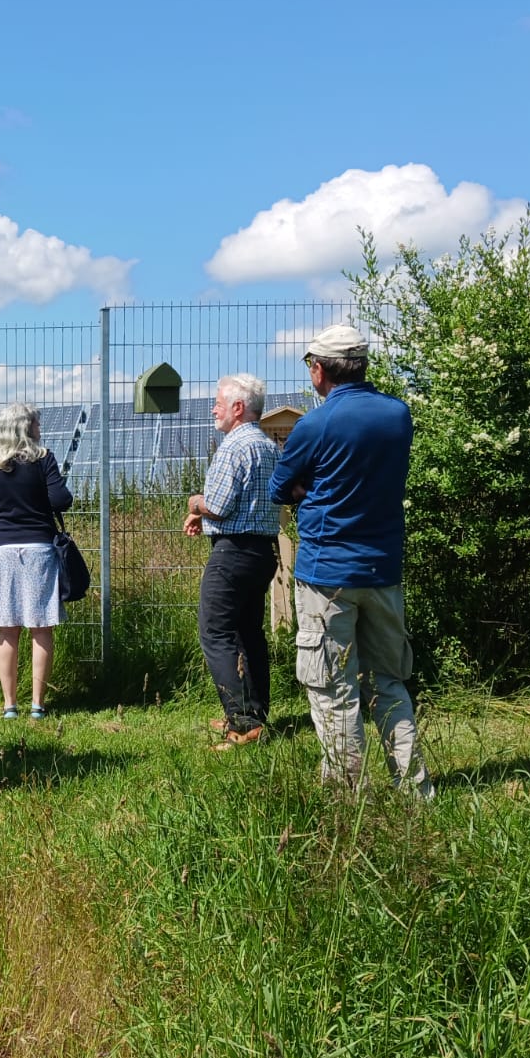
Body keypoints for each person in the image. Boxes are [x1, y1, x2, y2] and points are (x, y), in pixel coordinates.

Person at [268, 326, 433, 797]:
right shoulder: (397, 415)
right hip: (383, 570)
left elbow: (280, 489)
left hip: (327, 576)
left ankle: (346, 795)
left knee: (332, 688)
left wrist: (314, 490)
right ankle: (414, 791)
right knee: (390, 682)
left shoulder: (315, 426)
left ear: (319, 370)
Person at [184, 375, 281, 751]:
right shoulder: (269, 447)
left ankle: (242, 724)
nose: (213, 409)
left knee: (216, 633)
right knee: (249, 633)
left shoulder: (233, 447)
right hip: (262, 552)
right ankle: (255, 712)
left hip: (233, 553)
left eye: (219, 403)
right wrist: (205, 516)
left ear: (238, 408)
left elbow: (219, 506)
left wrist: (196, 504)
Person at [0, 403, 73, 720]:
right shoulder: (44, 459)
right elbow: (61, 500)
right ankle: (38, 706)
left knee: (7, 630)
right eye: (37, 424)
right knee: (41, 629)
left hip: (3, 552)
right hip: (40, 549)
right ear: (28, 428)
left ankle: (9, 706)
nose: (40, 429)